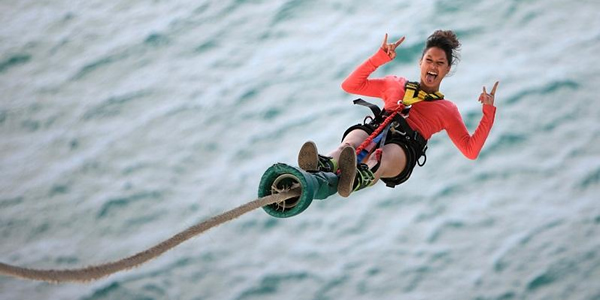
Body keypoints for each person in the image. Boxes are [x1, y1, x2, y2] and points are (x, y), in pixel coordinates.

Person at [298, 30, 499, 197]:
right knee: (348, 146)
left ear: (447, 70)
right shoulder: (395, 84)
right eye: (429, 60)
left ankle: (357, 177)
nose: (433, 66)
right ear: (420, 62)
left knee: (379, 158)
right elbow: (350, 85)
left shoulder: (447, 110)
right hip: (376, 128)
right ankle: (323, 164)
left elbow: (470, 150)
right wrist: (379, 58)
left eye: (440, 63)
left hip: (404, 148)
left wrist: (488, 113)